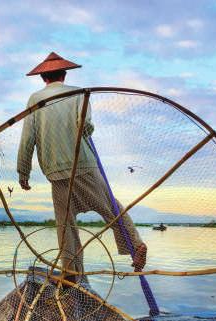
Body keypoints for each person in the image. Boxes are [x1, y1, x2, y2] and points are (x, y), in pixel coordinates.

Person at [17, 52, 147, 281]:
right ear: (64, 74)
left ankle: (72, 272)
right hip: (83, 164)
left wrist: (23, 171)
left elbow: (28, 138)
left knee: (65, 225)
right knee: (111, 209)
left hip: (55, 170)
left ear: (43, 77)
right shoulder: (79, 94)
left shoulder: (35, 99)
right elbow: (85, 126)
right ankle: (135, 245)